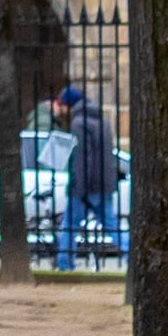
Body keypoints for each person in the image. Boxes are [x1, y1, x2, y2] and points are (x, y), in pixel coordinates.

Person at [54, 84, 123, 260]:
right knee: (111, 225)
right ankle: (132, 254)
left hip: (86, 186)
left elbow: (83, 159)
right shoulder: (101, 120)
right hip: (104, 183)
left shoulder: (79, 123)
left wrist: (80, 188)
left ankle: (64, 263)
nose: (60, 110)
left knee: (70, 225)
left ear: (68, 106)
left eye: (62, 106)